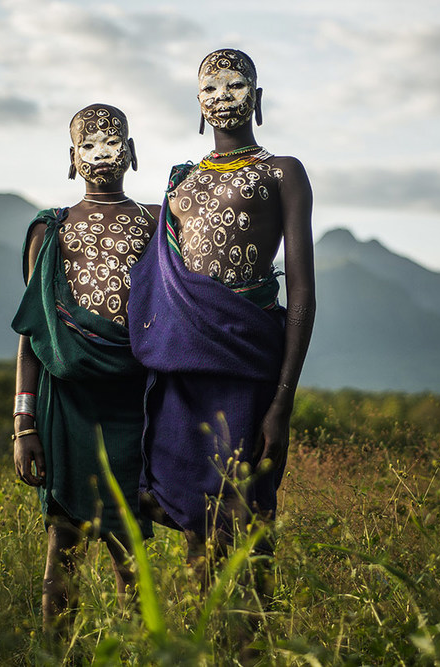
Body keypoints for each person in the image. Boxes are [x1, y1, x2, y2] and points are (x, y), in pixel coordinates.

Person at [127, 49, 315, 579]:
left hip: (247, 360)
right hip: (179, 365)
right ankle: (199, 642)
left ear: (256, 98)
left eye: (234, 87)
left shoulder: (282, 172)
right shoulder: (179, 182)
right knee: (190, 513)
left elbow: (302, 291)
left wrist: (282, 403)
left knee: (246, 517)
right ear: (197, 104)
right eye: (210, 90)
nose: (222, 98)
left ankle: (254, 643)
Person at [11, 103, 159, 634]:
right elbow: (33, 334)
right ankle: (55, 651)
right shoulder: (49, 232)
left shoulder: (156, 224)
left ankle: (141, 649)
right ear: (72, 159)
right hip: (66, 405)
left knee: (130, 548)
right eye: (88, 146)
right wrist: (23, 425)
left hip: (134, 402)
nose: (102, 154)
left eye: (112, 142)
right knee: (63, 541)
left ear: (133, 152)